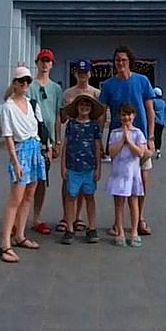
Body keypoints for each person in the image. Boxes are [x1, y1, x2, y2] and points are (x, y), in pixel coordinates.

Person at [98, 45, 155, 237]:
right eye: (117, 60)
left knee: (142, 180)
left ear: (130, 61)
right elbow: (102, 114)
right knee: (121, 182)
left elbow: (150, 110)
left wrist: (151, 137)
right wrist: (99, 139)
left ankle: (139, 220)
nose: (120, 63)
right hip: (118, 138)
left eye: (123, 59)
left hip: (140, 139)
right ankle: (118, 223)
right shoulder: (108, 85)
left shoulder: (142, 81)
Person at [0, 65, 46, 263]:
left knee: (28, 196)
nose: (25, 84)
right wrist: (15, 162)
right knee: (15, 199)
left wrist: (46, 149)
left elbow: (39, 129)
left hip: (35, 149)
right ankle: (4, 244)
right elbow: (8, 138)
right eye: (21, 81)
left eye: (27, 80)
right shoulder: (8, 107)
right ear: (14, 84)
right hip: (21, 151)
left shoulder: (31, 103)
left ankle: (20, 235)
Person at [56, 59, 104, 234]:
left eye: (86, 73)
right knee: (69, 185)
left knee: (87, 187)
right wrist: (58, 142)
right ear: (75, 74)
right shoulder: (68, 93)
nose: (83, 76)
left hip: (89, 148)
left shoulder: (96, 93)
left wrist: (101, 144)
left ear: (90, 74)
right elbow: (61, 118)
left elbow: (100, 120)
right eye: (80, 73)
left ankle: (79, 217)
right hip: (72, 146)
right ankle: (66, 218)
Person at [60, 93, 104, 245]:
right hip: (73, 167)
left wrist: (98, 168)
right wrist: (63, 166)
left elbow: (97, 147)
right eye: (81, 105)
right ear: (77, 107)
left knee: (89, 196)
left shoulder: (93, 126)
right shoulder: (71, 125)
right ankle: (69, 227)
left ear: (91, 109)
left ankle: (92, 227)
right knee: (71, 196)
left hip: (89, 167)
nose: (84, 108)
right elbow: (65, 145)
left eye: (87, 106)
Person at [29, 48, 63, 236]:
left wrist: (57, 141)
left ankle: (36, 217)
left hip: (47, 141)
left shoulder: (56, 89)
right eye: (42, 61)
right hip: (31, 138)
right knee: (27, 180)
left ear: (52, 64)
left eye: (47, 61)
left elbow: (57, 115)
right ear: (37, 63)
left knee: (42, 179)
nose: (44, 64)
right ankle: (21, 218)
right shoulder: (30, 86)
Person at [105, 103, 147, 247]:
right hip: (119, 173)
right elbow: (111, 152)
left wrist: (129, 141)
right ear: (119, 116)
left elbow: (141, 153)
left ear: (134, 116)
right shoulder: (115, 133)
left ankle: (134, 232)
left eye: (129, 115)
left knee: (133, 202)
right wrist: (122, 139)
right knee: (119, 204)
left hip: (133, 173)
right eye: (123, 115)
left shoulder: (138, 133)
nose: (126, 118)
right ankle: (120, 231)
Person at [152, 87, 166, 159]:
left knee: (152, 136)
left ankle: (150, 150)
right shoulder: (163, 103)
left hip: (154, 122)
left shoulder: (153, 101)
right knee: (159, 136)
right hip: (161, 123)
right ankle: (158, 150)